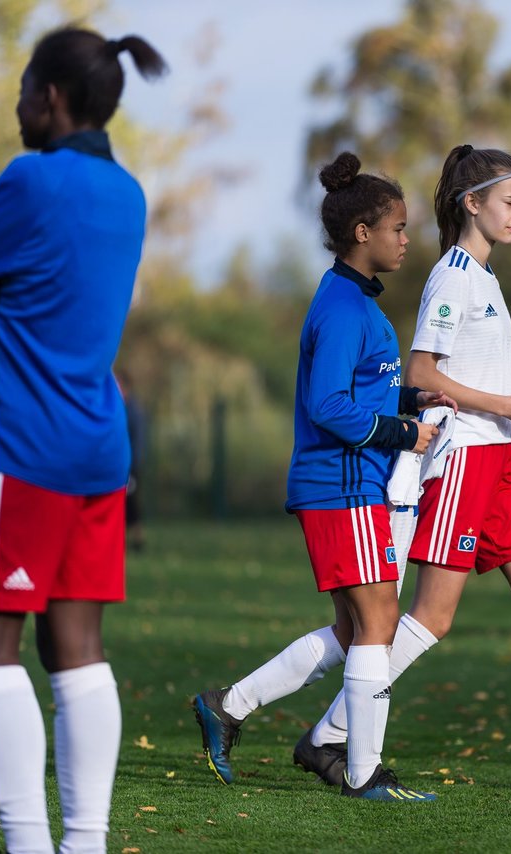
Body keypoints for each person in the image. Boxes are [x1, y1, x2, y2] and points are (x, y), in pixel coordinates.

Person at [292, 144, 511, 790]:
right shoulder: (453, 274)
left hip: (500, 460)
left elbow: (480, 379)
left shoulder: (488, 280)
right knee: (432, 618)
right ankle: (328, 736)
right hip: (464, 458)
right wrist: (507, 406)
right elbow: (421, 374)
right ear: (474, 204)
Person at [0, 27, 165, 854]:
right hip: (99, 452)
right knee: (78, 650)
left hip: (18, 450)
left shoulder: (32, 179)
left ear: (50, 99)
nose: (18, 104)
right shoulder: (127, 193)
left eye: (25, 89)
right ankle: (84, 844)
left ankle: (28, 845)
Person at [192, 152, 450, 802]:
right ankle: (363, 773)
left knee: (353, 629)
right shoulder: (341, 307)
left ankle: (229, 705)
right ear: (362, 232)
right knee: (380, 621)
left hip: (346, 483)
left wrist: (412, 406)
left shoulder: (356, 302)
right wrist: (403, 433)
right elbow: (329, 406)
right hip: (342, 486)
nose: (405, 238)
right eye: (397, 226)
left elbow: (362, 393)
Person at [115, 370, 146, 552]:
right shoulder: (120, 407)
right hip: (121, 466)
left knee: (131, 503)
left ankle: (137, 539)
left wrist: (132, 467)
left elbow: (138, 441)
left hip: (130, 467)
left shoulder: (134, 410)